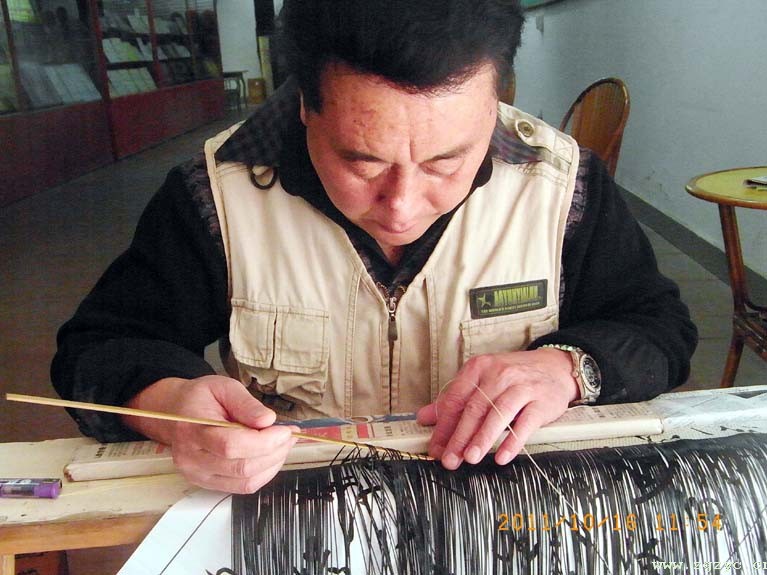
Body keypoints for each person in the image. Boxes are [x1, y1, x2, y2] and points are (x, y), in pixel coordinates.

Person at [52, 0, 697, 494]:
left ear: (494, 100)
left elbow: (659, 328)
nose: (403, 205)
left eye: (446, 161)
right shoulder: (215, 195)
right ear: (305, 105)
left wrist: (566, 369)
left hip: (502, 513)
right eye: (362, 162)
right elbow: (100, 347)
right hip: (302, 515)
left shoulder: (562, 186)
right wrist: (170, 407)